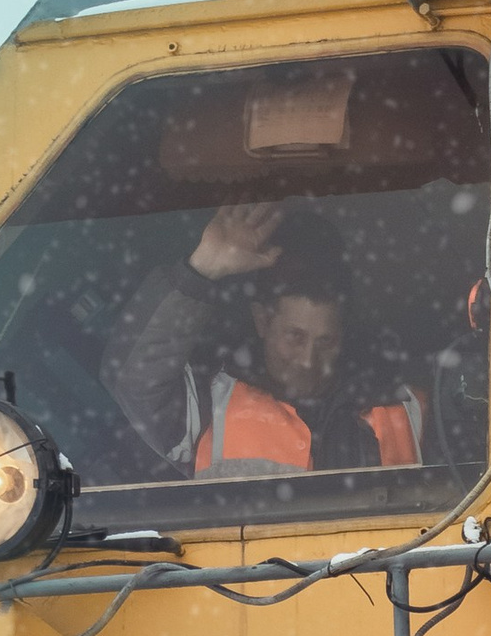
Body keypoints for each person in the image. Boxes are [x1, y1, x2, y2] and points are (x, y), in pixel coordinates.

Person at [102, 201, 429, 478]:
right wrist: (201, 269)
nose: (307, 360)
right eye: (295, 337)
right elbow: (133, 379)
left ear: (343, 334)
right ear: (262, 320)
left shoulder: (406, 404)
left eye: (326, 341)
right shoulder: (210, 401)